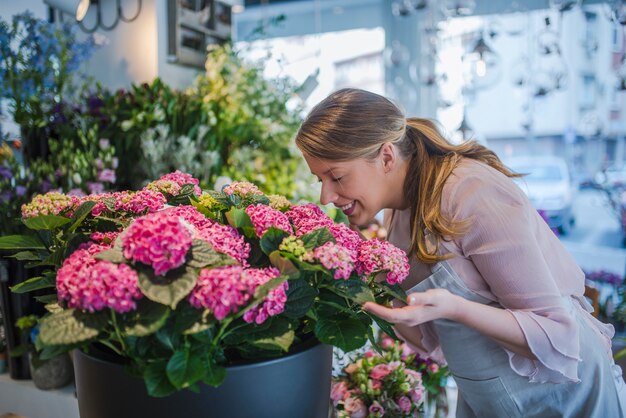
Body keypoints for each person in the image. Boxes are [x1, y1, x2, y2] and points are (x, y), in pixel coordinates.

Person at [295, 88, 626, 417]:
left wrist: (456, 308)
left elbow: (558, 334)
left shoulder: (469, 191)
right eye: (319, 179)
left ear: (385, 156)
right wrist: (366, 285)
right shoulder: (397, 212)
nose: (325, 196)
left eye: (336, 176)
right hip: (489, 398)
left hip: (562, 396)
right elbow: (432, 342)